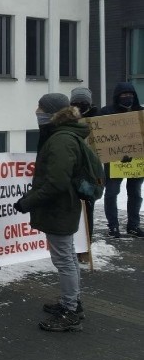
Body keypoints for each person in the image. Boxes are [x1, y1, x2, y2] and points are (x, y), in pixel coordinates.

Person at [14, 93, 86, 332]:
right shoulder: (61, 135)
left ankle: (70, 310)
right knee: (67, 257)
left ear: (53, 112)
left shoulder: (60, 140)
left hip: (59, 207)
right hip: (62, 206)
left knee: (64, 259)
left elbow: (56, 182)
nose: (36, 112)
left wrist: (29, 202)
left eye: (40, 108)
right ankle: (71, 302)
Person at [98, 82, 144, 238]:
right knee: (111, 193)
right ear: (117, 97)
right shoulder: (106, 113)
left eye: (130, 95)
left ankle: (133, 225)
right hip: (114, 160)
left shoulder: (141, 113)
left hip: (137, 161)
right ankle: (113, 226)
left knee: (135, 194)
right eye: (123, 95)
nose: (127, 97)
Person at [69, 87, 99, 249]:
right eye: (76, 103)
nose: (80, 105)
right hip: (71, 170)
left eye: (83, 102)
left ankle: (86, 243)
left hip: (89, 173)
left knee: (88, 207)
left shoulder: (99, 119)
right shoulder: (66, 118)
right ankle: (74, 243)